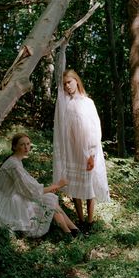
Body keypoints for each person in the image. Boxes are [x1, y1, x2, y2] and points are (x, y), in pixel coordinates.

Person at [0, 133, 80, 239]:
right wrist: (57, 185)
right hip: (4, 202)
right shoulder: (14, 165)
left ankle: (72, 231)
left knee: (50, 199)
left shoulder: (16, 161)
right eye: (22, 145)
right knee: (50, 200)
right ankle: (71, 233)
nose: (26, 147)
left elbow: (30, 186)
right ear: (14, 147)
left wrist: (50, 189)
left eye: (28, 144)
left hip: (13, 196)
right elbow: (30, 191)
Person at [53, 69, 110, 232]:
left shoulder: (87, 102)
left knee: (89, 187)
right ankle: (81, 220)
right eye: (64, 84)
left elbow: (95, 129)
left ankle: (90, 222)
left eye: (69, 82)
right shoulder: (65, 105)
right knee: (75, 188)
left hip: (87, 152)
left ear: (76, 81)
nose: (67, 86)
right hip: (73, 152)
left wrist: (91, 154)